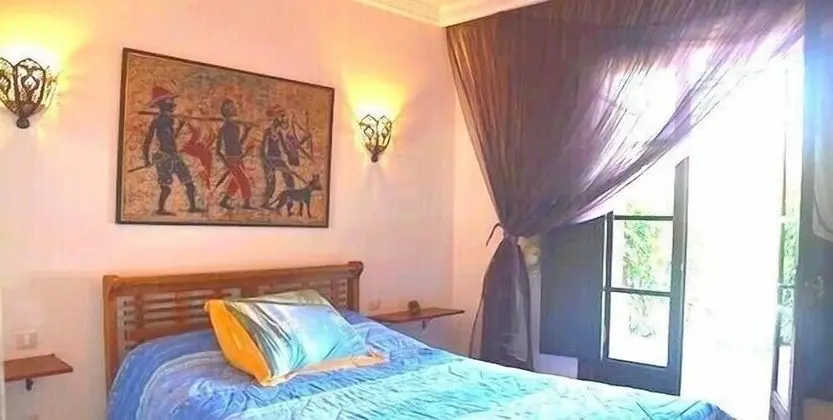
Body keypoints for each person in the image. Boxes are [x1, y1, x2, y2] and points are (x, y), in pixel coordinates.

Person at [141, 86, 204, 215]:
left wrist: (180, 127)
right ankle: (161, 209)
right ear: (162, 105)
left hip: (174, 156)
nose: (172, 104)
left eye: (171, 101)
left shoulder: (169, 120)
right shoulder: (157, 122)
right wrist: (146, 159)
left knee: (189, 184)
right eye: (169, 101)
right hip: (163, 157)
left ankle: (192, 207)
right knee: (166, 188)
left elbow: (170, 139)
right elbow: (147, 141)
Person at [216, 99, 254, 210]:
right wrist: (226, 163)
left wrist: (246, 132)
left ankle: (224, 201)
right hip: (231, 159)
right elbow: (218, 150)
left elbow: (238, 144)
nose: (234, 108)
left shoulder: (236, 127)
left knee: (235, 183)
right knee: (244, 180)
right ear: (226, 111)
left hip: (238, 158)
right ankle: (246, 203)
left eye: (233, 106)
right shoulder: (224, 129)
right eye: (231, 107)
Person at [260, 106, 296, 208]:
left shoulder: (279, 132)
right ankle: (265, 202)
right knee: (271, 181)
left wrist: (291, 154)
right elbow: (263, 150)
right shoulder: (268, 132)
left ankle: (289, 201)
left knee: (289, 178)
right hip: (268, 159)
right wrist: (267, 163)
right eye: (280, 120)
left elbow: (284, 147)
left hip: (278, 159)